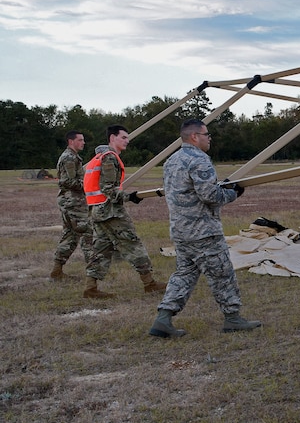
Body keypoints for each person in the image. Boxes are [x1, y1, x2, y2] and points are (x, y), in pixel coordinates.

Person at [149, 120, 261, 337]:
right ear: (194, 137)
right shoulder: (199, 160)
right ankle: (233, 318)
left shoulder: (171, 161)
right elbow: (210, 196)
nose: (209, 138)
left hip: (181, 230)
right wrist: (234, 193)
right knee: (222, 274)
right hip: (203, 232)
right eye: (206, 134)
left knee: (184, 274)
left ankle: (163, 318)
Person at [82, 125, 164, 299]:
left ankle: (91, 288)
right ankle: (150, 284)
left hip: (97, 210)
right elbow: (108, 189)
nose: (127, 141)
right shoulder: (110, 158)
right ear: (113, 138)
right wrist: (130, 196)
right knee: (133, 244)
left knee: (101, 249)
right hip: (111, 211)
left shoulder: (98, 157)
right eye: (124, 137)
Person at [50, 130, 94, 280]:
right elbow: (67, 181)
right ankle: (93, 273)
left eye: (83, 140)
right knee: (88, 232)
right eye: (80, 140)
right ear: (71, 141)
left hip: (71, 201)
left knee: (70, 236)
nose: (83, 142)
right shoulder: (69, 158)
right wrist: (88, 185)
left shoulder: (73, 157)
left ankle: (56, 272)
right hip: (72, 202)